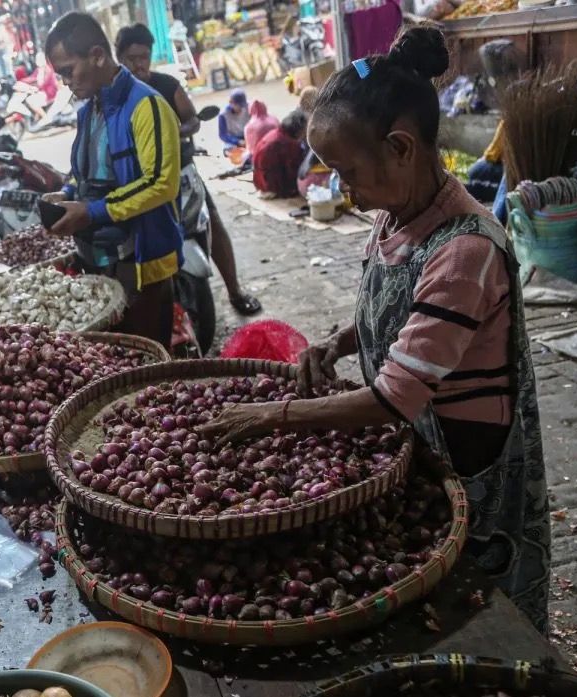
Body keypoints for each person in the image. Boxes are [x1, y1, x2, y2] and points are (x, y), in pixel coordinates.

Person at [199, 26, 550, 630]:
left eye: (348, 172)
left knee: (486, 613)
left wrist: (271, 418)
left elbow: (392, 400)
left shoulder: (464, 250)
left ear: (401, 147)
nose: (343, 189)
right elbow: (402, 319)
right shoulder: (397, 215)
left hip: (472, 464)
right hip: (425, 442)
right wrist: (339, 342)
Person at [41, 12, 183, 347]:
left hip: (142, 266)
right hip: (100, 261)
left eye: (67, 70)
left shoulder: (146, 106)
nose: (65, 82)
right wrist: (66, 196)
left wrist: (92, 212)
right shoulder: (88, 112)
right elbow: (85, 175)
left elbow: (161, 183)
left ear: (97, 56)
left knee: (146, 362)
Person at [114, 22, 262, 315]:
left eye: (144, 56)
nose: (139, 63)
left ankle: (234, 290)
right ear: (119, 58)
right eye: (132, 58)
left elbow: (192, 119)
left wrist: (175, 132)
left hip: (180, 171)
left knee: (213, 222)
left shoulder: (166, 85)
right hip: (138, 182)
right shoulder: (115, 97)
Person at [252, 110, 308, 199]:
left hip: (261, 182)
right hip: (272, 186)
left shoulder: (276, 133)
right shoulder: (287, 143)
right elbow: (294, 169)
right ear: (298, 129)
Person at [218, 89, 250, 155]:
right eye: (238, 105)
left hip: (248, 135)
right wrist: (237, 141)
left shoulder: (249, 107)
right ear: (231, 103)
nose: (241, 108)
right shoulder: (223, 115)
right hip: (233, 138)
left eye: (242, 105)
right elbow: (223, 135)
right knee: (229, 150)